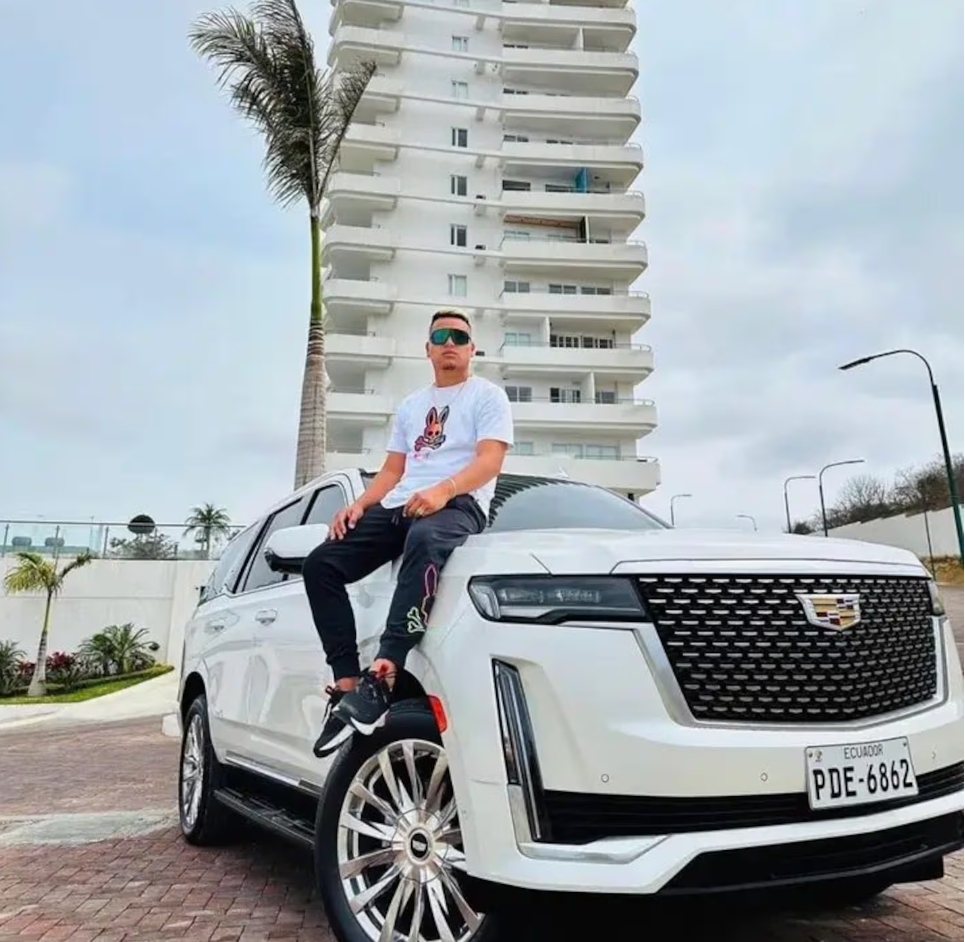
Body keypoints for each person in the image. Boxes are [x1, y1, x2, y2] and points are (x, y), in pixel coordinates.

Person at [303, 309, 514, 757]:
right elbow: (393, 470)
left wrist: (443, 491)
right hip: (402, 503)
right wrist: (361, 504)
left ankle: (384, 673)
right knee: (321, 563)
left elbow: (490, 461)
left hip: (459, 503)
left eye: (460, 336)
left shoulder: (488, 396)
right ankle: (347, 685)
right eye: (442, 336)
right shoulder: (412, 405)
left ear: (472, 349)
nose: (450, 342)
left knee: (424, 538)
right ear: (428, 349)